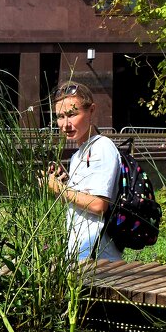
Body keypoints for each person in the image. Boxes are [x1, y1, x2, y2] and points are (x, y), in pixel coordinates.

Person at [43, 82, 122, 261]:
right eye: (60, 116)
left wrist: (60, 190)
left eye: (72, 114)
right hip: (83, 251)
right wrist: (64, 185)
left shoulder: (101, 147)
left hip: (99, 258)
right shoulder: (78, 155)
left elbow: (99, 205)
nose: (65, 124)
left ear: (92, 111)